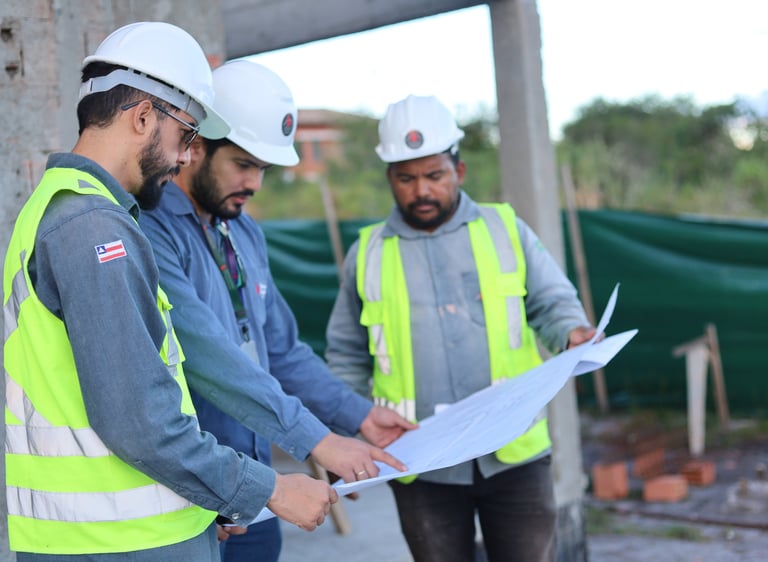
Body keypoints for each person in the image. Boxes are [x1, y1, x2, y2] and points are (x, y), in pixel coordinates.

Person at [2, 22, 340, 561]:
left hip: (115, 536)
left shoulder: (64, 209)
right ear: (142, 117)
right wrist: (269, 489)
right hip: (123, 543)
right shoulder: (94, 229)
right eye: (185, 136)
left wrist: (206, 502)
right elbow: (141, 423)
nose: (186, 157)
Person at [139, 59, 416, 561]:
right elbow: (210, 358)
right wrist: (318, 441)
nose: (255, 183)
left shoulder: (242, 231)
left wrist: (357, 415)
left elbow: (282, 350)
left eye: (263, 169)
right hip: (189, 495)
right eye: (243, 164)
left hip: (257, 491)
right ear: (195, 145)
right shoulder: (150, 229)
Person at [325, 94, 598, 562]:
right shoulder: (367, 254)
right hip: (419, 461)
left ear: (460, 170)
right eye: (406, 178)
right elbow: (346, 355)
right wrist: (345, 433)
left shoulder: (505, 229)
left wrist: (572, 331)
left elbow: (553, 303)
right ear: (390, 178)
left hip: (513, 453)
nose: (421, 191)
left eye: (434, 175)